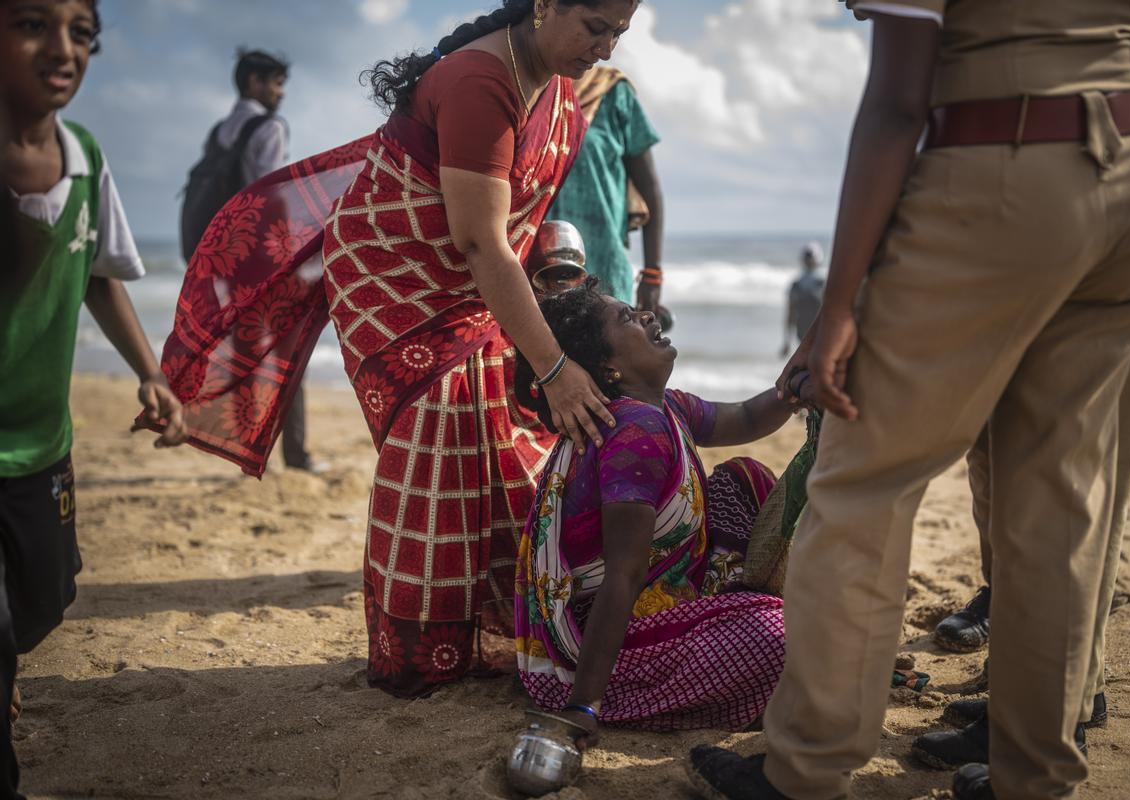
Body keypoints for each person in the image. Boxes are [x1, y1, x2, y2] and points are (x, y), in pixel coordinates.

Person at [687, 3, 1130, 800]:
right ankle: (1033, 776)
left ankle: (806, 770)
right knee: (1056, 500)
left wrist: (842, 303)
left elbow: (897, 102)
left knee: (863, 482)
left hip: (1004, 168)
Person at [149, 0, 641, 699]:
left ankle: (521, 621)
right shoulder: (482, 81)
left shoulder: (555, 89)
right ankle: (421, 655)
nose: (607, 47)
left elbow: (510, 231)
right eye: (596, 27)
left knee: (502, 431)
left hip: (474, 282)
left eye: (619, 32)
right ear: (545, 6)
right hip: (394, 280)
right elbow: (478, 240)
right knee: (438, 426)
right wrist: (554, 368)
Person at [917, 67, 1130, 771]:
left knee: (1086, 484)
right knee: (1018, 469)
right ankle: (1049, 693)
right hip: (1046, 214)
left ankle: (1054, 710)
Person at [0, 0, 186, 796]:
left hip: (41, 438)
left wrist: (150, 372)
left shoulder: (83, 154)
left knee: (47, 597)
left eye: (81, 31)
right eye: (33, 23)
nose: (63, 48)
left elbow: (102, 274)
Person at [512, 278, 805, 740]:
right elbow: (622, 576)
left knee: (741, 480)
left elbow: (747, 417)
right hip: (612, 639)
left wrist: (795, 388)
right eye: (627, 318)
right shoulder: (636, 434)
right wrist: (585, 704)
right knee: (780, 638)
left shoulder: (666, 407)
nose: (648, 314)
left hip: (661, 591)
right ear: (607, 366)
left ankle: (742, 625)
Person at [201, 50, 316, 471]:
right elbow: (272, 194)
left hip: (229, 259)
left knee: (247, 350)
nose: (279, 93)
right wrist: (294, 256)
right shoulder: (269, 128)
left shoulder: (221, 131)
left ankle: (246, 449)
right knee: (290, 346)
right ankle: (297, 455)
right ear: (253, 82)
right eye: (275, 83)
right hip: (264, 258)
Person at [547, 64, 665, 313]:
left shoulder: (612, 92)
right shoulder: (529, 90)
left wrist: (652, 274)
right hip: (537, 274)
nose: (606, 47)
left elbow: (651, 190)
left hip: (605, 270)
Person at [780, 241, 825, 357]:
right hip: (806, 337)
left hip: (820, 337)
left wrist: (787, 342)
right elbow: (790, 314)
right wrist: (786, 341)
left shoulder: (823, 284)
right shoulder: (797, 285)